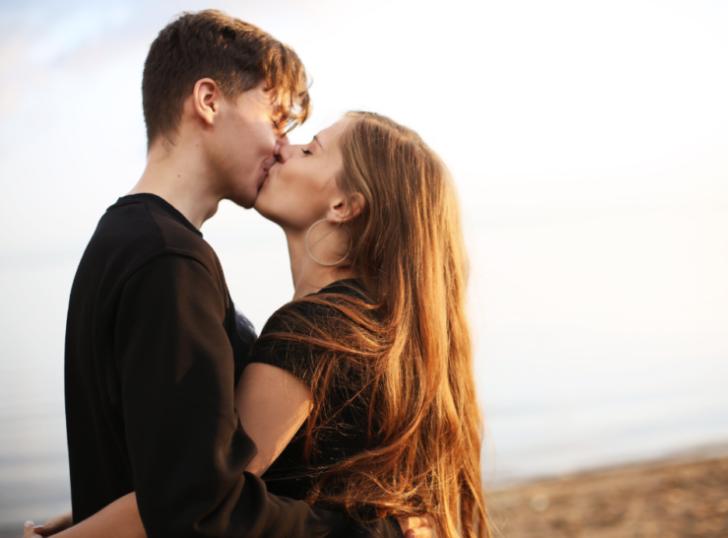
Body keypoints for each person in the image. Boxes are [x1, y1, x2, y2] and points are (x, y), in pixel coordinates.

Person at [24, 10, 431, 538]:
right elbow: (197, 506)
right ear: (209, 101)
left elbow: (171, 470)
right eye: (275, 119)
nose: (280, 144)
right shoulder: (169, 261)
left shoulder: (127, 240)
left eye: (296, 136)